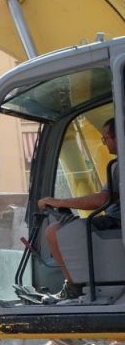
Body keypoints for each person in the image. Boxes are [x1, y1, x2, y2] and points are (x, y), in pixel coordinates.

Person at [38, 117, 121, 299]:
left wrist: (59, 202)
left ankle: (73, 287)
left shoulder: (119, 166)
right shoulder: (117, 166)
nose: (104, 143)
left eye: (105, 138)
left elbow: (102, 199)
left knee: (54, 232)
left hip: (118, 222)